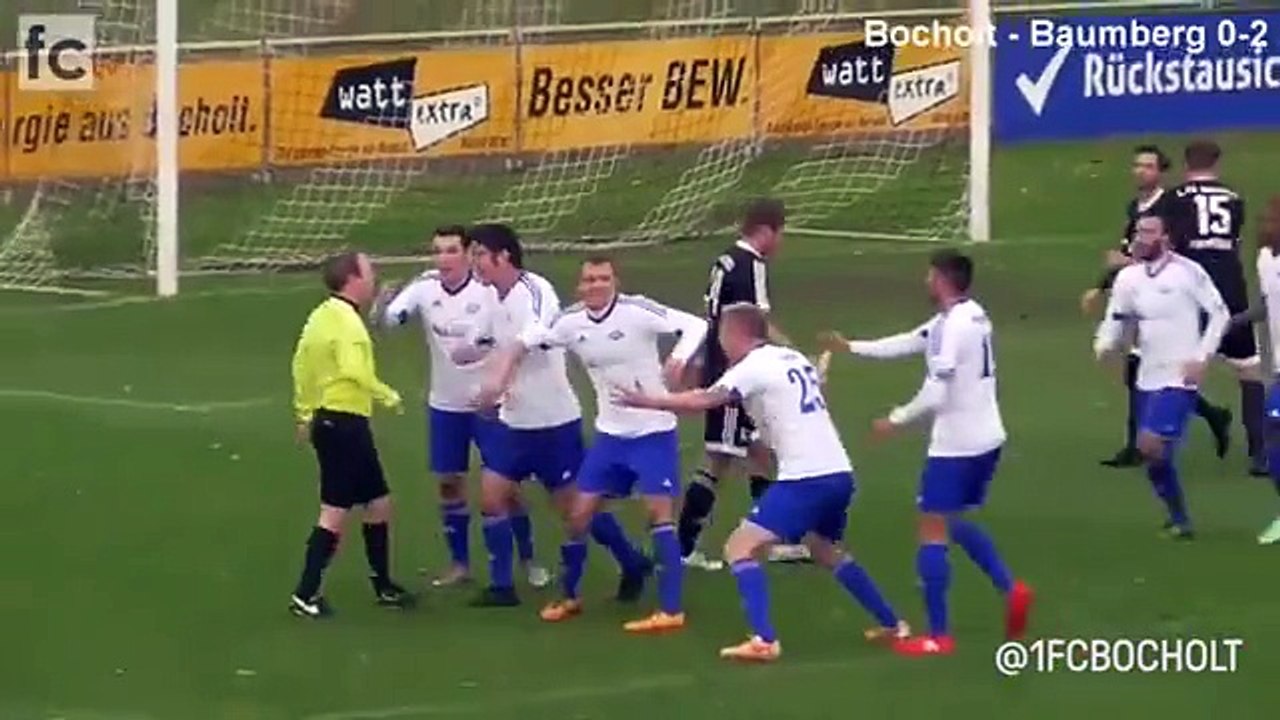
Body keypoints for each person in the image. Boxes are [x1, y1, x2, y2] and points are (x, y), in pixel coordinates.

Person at [617, 303, 905, 662]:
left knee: (739, 547)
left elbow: (705, 399)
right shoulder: (791, 359)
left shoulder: (752, 366)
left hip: (806, 479)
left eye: (722, 333)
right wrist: (759, 446)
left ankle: (764, 640)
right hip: (838, 473)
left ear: (736, 333)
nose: (719, 342)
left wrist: (649, 401)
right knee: (825, 550)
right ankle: (894, 624)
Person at [820, 249, 1031, 656]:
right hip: (988, 437)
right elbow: (910, 341)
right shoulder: (966, 316)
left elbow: (937, 391)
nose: (925, 282)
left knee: (930, 526)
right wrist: (852, 347)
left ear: (942, 279)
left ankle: (938, 636)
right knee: (951, 519)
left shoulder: (954, 328)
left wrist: (894, 420)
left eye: (929, 276)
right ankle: (1012, 588)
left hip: (957, 444)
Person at [489, 257, 706, 630]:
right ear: (579, 286)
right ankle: (569, 595)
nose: (596, 285)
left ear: (615, 282)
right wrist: (503, 370)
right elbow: (536, 338)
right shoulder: (570, 323)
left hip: (653, 432)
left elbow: (696, 324)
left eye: (604, 278)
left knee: (658, 515)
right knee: (578, 514)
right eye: (589, 279)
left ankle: (671, 609)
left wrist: (680, 357)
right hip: (610, 436)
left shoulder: (637, 310)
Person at [467, 224, 650, 608]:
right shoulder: (488, 297)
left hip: (553, 424)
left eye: (480, 253)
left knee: (574, 509)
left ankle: (631, 560)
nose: (475, 261)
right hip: (513, 421)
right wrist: (468, 352)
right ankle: (502, 586)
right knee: (491, 495)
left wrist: (502, 370)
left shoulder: (536, 291)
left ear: (503, 257)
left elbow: (533, 333)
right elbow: (483, 339)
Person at [375, 226, 550, 589]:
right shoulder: (424, 286)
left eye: (452, 250)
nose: (443, 259)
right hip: (446, 405)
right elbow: (392, 319)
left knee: (505, 487)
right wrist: (381, 306)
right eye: (437, 251)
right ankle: (460, 564)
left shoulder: (490, 290)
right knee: (449, 483)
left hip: (491, 405)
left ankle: (529, 558)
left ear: (468, 255)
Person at [677, 197, 811, 571]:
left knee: (758, 452)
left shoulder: (724, 260)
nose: (780, 242)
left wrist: (702, 361)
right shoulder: (752, 265)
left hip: (726, 371)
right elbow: (757, 323)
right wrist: (795, 354)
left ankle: (774, 538)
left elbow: (711, 316)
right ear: (766, 230)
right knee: (721, 458)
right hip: (738, 376)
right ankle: (684, 547)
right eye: (780, 233)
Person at [1082, 145, 1231, 467]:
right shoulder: (1135, 207)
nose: (1140, 171)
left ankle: (1139, 445)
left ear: (1160, 171)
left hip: (1168, 298)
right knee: (1142, 372)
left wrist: (1127, 261)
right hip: (1139, 295)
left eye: (1148, 166)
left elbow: (1166, 252)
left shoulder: (1170, 206)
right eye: (1136, 165)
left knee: (1149, 372)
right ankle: (1209, 416)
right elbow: (1130, 252)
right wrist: (1101, 284)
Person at [288, 251, 414, 618]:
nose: (374, 278)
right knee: (334, 512)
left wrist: (304, 412)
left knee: (378, 502)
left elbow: (301, 365)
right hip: (344, 424)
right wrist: (387, 394)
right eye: (370, 271)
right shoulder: (348, 324)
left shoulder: (320, 316)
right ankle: (305, 593)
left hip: (332, 423)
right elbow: (353, 370)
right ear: (353, 279)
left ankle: (383, 584)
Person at [1095, 215, 1231, 539]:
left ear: (1166, 237)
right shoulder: (1128, 278)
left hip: (1180, 375)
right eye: (1138, 232)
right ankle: (1179, 518)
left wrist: (1201, 357)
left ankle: (1181, 519)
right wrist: (1104, 344)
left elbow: (1219, 313)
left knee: (1150, 443)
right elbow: (1116, 317)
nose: (1140, 238)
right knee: (1154, 457)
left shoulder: (1187, 272)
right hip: (1147, 375)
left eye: (1149, 232)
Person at [1166, 139, 1266, 476]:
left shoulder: (1175, 198)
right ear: (1216, 164)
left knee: (1176, 368)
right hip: (1231, 285)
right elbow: (1234, 241)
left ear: (1186, 165)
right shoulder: (1234, 199)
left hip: (1193, 287)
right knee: (1248, 370)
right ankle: (1259, 451)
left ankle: (1169, 437)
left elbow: (1172, 244)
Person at [1230, 196, 1280, 542]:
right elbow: (1267, 304)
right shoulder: (1264, 260)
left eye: (1270, 220)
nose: (1263, 226)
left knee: (1273, 430)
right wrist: (1234, 321)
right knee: (1272, 438)